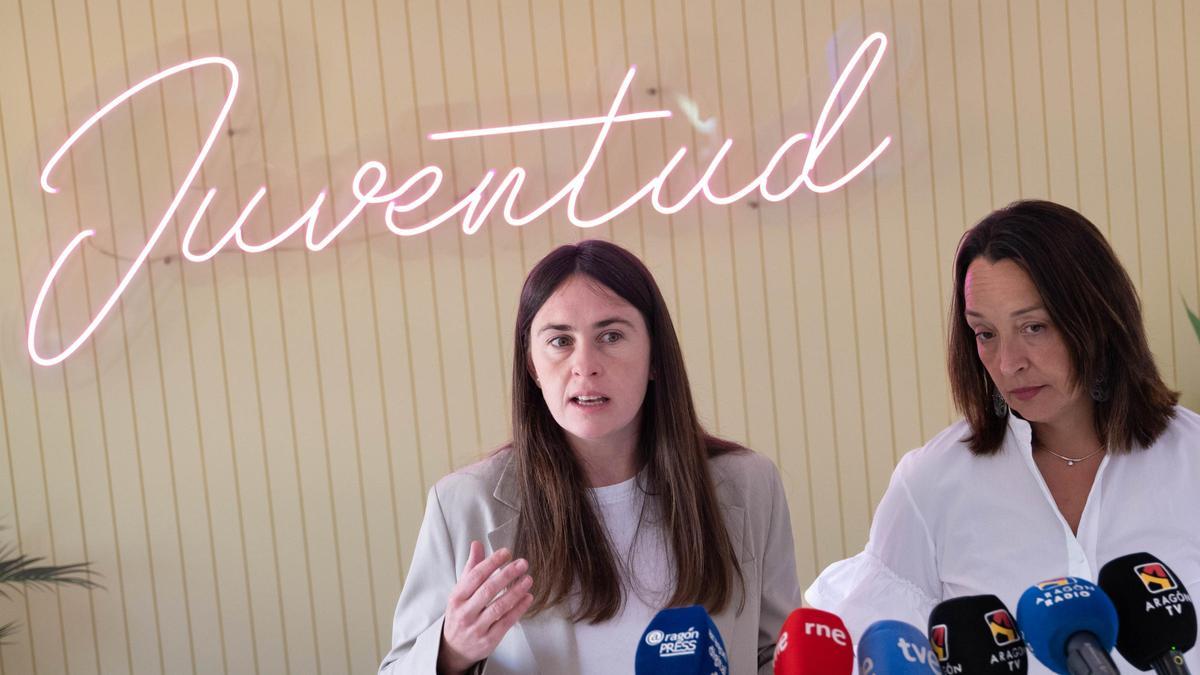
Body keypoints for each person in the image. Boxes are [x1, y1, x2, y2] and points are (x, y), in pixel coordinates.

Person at [805, 200, 1200, 673]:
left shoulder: (1191, 459)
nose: (1008, 362)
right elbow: (871, 645)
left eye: (1034, 327)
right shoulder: (930, 484)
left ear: (1096, 317)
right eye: (985, 333)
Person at [380, 239, 803, 675]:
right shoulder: (463, 502)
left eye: (611, 336)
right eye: (560, 341)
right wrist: (451, 650)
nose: (585, 365)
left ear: (655, 355)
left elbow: (773, 655)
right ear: (531, 366)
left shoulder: (749, 484)